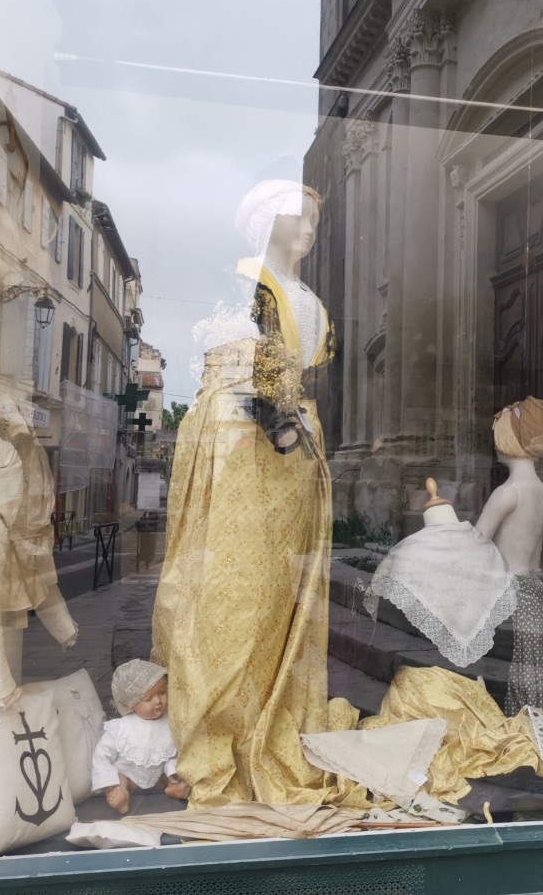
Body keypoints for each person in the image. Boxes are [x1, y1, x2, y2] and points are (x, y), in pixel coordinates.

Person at [150, 180, 336, 808]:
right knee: (233, 584)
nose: (307, 229)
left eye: (314, 220)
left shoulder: (308, 300)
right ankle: (221, 731)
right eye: (296, 217)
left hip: (295, 452)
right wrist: (269, 413)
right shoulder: (243, 287)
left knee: (284, 587)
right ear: (265, 222)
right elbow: (243, 370)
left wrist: (292, 421)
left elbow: (297, 372)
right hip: (243, 444)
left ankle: (275, 716)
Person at [475, 397, 543, 715]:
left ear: (509, 440)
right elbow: (536, 553)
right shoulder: (540, 492)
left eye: (498, 435)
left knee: (504, 669)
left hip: (505, 591)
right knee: (532, 671)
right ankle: (530, 723)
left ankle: (509, 724)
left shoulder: (508, 492)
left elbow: (476, 543)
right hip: (533, 592)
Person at [92, 660, 189, 815]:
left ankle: (172, 787)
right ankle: (121, 794)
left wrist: (173, 773)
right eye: (148, 699)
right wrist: (108, 782)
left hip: (157, 776)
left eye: (162, 692)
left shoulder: (170, 722)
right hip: (129, 776)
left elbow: (175, 752)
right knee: (120, 776)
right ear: (132, 704)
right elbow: (102, 754)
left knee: (171, 765)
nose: (158, 701)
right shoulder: (121, 728)